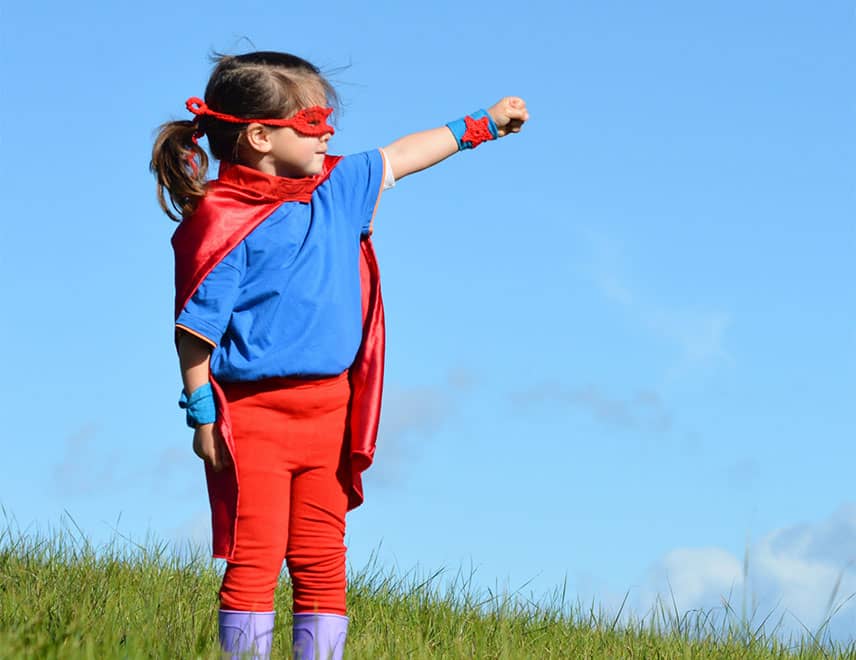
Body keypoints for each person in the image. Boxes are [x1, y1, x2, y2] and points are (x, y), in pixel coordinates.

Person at [150, 51, 528, 660]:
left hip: (330, 411)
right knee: (256, 554)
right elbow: (195, 331)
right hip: (253, 418)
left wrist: (480, 124)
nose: (328, 130)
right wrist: (201, 415)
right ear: (260, 137)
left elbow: (404, 154)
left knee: (322, 557)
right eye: (313, 121)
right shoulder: (225, 219)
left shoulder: (340, 189)